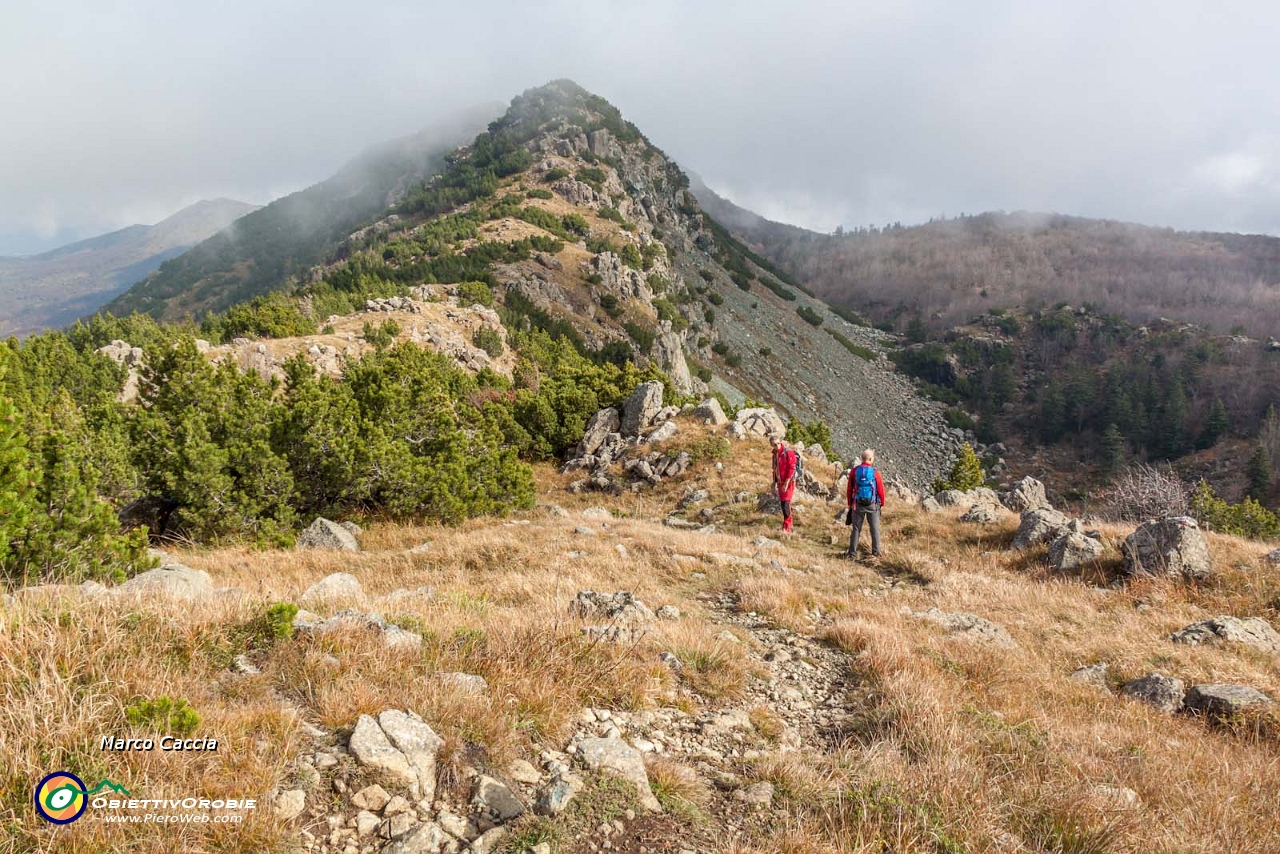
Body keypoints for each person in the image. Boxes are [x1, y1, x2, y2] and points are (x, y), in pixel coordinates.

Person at [846, 448, 886, 560]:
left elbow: (850, 488)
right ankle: (876, 553)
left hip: (857, 504)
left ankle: (852, 554)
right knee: (874, 528)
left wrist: (850, 503)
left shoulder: (855, 471)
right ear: (870, 459)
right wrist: (881, 503)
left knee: (856, 529)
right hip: (872, 505)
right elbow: (880, 490)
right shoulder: (875, 472)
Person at [770, 434, 798, 533]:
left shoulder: (787, 452)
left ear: (780, 442)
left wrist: (786, 483)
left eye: (778, 443)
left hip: (789, 482)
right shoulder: (774, 454)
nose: (777, 446)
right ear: (771, 445)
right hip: (780, 482)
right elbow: (774, 469)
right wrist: (774, 483)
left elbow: (792, 468)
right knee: (784, 504)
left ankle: (787, 527)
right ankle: (787, 525)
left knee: (786, 504)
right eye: (774, 444)